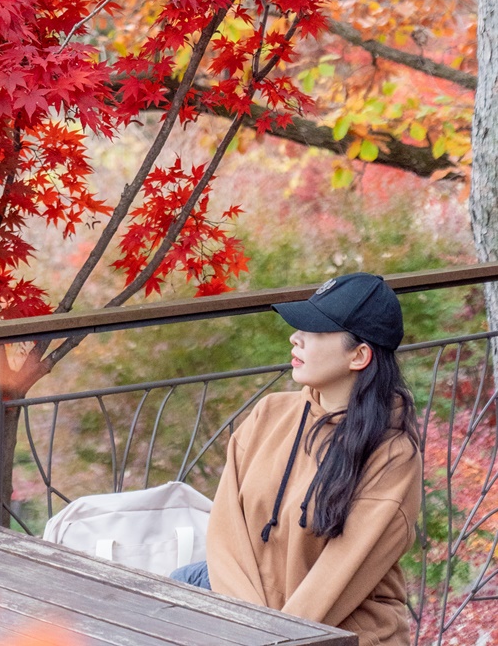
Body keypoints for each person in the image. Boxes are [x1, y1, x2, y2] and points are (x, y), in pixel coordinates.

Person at [172, 272, 422, 646]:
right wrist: (246, 624)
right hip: (250, 619)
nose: (296, 337)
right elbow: (226, 534)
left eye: (317, 330)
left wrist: (267, 637)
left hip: (340, 633)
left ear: (359, 355)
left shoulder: (392, 456)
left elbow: (336, 581)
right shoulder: (269, 414)